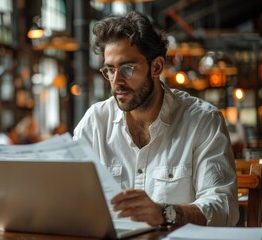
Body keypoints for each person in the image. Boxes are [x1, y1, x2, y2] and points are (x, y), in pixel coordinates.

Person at [73, 11, 239, 227]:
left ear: (157, 67)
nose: (117, 81)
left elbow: (223, 207)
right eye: (110, 70)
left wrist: (165, 213)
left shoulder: (203, 120)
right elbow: (69, 194)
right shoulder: (95, 121)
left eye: (127, 68)